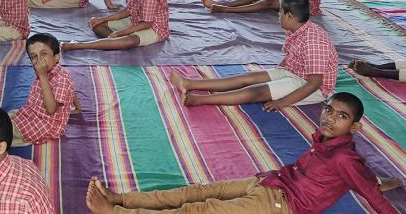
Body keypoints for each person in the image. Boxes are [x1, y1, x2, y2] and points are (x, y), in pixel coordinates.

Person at [85, 92, 403, 214]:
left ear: (356, 127)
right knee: (194, 192)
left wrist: (378, 191)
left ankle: (116, 213)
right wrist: (381, 182)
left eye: (341, 116)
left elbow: (371, 195)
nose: (330, 118)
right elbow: (363, 181)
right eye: (329, 110)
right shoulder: (330, 142)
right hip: (267, 182)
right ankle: (121, 199)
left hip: (280, 204)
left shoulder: (346, 158)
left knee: (201, 211)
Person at [170, 0, 337, 111]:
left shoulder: (314, 41)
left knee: (256, 92)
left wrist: (282, 102)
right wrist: (279, 71)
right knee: (248, 78)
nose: (278, 16)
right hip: (295, 73)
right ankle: (189, 83)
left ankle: (200, 100)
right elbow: (292, 55)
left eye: (280, 13)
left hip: (312, 87)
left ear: (290, 16)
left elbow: (314, 83)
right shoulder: (296, 29)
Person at [10, 33, 81, 146]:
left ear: (56, 57)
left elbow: (51, 109)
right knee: (4, 117)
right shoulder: (50, 70)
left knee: (0, 132)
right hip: (33, 112)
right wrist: (77, 107)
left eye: (44, 54)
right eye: (34, 56)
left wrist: (42, 76)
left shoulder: (60, 78)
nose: (39, 60)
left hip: (46, 125)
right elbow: (71, 89)